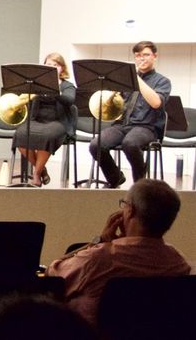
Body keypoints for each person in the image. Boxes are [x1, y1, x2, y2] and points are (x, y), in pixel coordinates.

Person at [46, 179, 191, 325]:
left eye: (124, 204)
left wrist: (99, 241)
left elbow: (53, 274)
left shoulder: (99, 259)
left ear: (130, 211)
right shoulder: (178, 264)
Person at [89, 41, 171, 188]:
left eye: (146, 55)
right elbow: (117, 103)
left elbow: (156, 103)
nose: (142, 59)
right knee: (96, 145)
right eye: (138, 55)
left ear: (155, 56)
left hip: (147, 127)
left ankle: (139, 185)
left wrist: (137, 78)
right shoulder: (125, 81)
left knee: (130, 143)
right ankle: (115, 178)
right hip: (122, 124)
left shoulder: (162, 81)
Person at [12, 52, 76, 187]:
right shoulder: (37, 84)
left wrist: (54, 90)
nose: (52, 68)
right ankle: (42, 169)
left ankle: (36, 174)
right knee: (20, 134)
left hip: (57, 122)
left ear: (62, 69)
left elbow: (69, 100)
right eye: (49, 65)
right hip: (36, 120)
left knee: (47, 136)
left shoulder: (67, 86)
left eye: (56, 65)